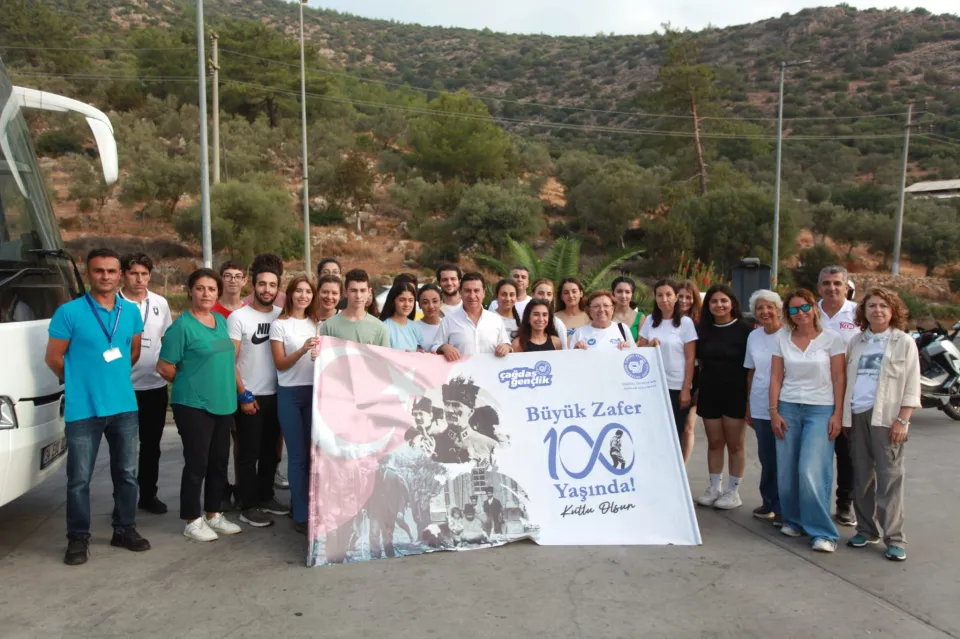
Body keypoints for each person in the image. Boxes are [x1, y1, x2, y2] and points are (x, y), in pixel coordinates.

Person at [45, 248, 151, 565]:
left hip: (124, 407)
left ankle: (124, 528)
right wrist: (79, 380)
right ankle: (78, 538)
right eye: (98, 270)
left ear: (120, 275)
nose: (105, 276)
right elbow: (53, 358)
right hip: (83, 409)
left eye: (111, 271)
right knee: (79, 480)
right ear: (88, 273)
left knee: (127, 474)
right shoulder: (69, 312)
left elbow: (132, 353)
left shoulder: (130, 312)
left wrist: (111, 378)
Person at [157, 268, 241, 542]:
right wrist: (191, 382)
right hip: (193, 405)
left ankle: (213, 514)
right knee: (197, 463)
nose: (206, 294)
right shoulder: (181, 327)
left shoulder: (220, 320)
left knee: (219, 462)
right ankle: (192, 520)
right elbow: (164, 367)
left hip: (223, 402)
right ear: (190, 291)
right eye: (201, 288)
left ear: (218, 293)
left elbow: (225, 359)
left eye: (212, 289)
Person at [842, 288, 920, 562]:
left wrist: (903, 419)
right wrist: (846, 417)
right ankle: (865, 530)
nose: (877, 310)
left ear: (893, 311)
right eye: (872, 305)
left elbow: (912, 383)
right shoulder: (856, 342)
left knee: (889, 478)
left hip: (887, 419)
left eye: (883, 306)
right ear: (863, 312)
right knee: (861, 478)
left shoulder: (903, 342)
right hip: (857, 415)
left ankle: (895, 538)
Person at [769, 289, 847, 553]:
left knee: (810, 470)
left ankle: (823, 533)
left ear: (814, 308)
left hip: (821, 409)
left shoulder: (832, 339)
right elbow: (776, 377)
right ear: (788, 314)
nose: (800, 313)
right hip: (788, 407)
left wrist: (837, 414)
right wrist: (774, 412)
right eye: (793, 309)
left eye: (804, 307)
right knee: (787, 470)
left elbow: (838, 378)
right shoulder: (782, 338)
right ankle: (794, 520)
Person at [228, 262, 288, 528]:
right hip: (250, 395)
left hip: (276, 394)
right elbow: (229, 361)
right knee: (248, 454)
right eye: (262, 284)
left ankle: (265, 496)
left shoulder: (282, 316)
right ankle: (248, 505)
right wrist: (243, 394)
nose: (267, 289)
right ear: (253, 286)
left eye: (272, 285)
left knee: (270, 454)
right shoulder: (238, 317)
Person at [118, 252, 173, 515]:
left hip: (154, 387)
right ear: (123, 275)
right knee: (124, 449)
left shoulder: (160, 303)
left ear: (150, 275)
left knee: (151, 447)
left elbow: (167, 339)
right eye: (133, 273)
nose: (139, 279)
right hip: (123, 388)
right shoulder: (114, 303)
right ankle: (123, 501)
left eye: (143, 274)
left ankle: (148, 495)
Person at [271, 277, 326, 535]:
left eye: (308, 292)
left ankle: (302, 504)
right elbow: (280, 364)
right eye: (299, 291)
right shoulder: (280, 325)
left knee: (313, 455)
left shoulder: (318, 323)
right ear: (291, 294)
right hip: (290, 394)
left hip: (314, 393)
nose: (303, 296)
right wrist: (303, 350)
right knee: (297, 456)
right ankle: (302, 516)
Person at [695, 284, 753, 509]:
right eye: (714, 301)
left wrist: (749, 400)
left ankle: (733, 491)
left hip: (736, 394)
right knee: (714, 443)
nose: (719, 305)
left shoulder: (746, 330)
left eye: (723, 301)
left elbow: (751, 368)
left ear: (732, 303)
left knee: (735, 444)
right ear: (708, 305)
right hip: (709, 392)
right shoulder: (702, 329)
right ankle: (714, 488)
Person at [817, 265, 859, 528]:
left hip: (850, 392)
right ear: (819, 286)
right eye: (826, 283)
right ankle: (816, 503)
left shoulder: (858, 313)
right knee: (816, 453)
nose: (831, 288)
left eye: (837, 283)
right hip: (816, 391)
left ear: (846, 287)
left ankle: (845, 504)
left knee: (846, 454)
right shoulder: (810, 311)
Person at [637, 280, 698, 461]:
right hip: (653, 386)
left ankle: (676, 471)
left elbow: (690, 358)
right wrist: (650, 344)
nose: (664, 299)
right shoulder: (650, 320)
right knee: (656, 431)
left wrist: (686, 388)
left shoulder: (685, 323)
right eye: (660, 295)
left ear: (676, 297)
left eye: (668, 295)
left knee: (676, 433)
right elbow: (640, 350)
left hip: (676, 386)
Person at [743, 290, 784, 525]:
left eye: (770, 307)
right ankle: (769, 502)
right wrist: (748, 403)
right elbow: (751, 371)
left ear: (778, 309)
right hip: (759, 403)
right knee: (767, 457)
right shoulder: (754, 336)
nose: (765, 311)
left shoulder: (788, 335)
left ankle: (783, 507)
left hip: (784, 404)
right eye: (760, 308)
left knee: (784, 457)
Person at [431, 273, 512, 360]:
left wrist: (506, 347)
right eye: (467, 291)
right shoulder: (448, 320)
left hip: (491, 368)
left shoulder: (495, 319)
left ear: (484, 293)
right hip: (459, 369)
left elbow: (506, 344)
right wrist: (444, 347)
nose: (472, 296)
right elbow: (435, 347)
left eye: (476, 291)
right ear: (460, 292)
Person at [433, 376, 497, 464]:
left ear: (470, 412)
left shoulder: (489, 445)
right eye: (447, 404)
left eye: (456, 405)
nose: (449, 410)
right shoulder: (435, 442)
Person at [320, 269, 390, 347]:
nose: (358, 296)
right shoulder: (328, 326)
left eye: (362, 291)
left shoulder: (379, 328)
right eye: (353, 291)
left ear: (369, 292)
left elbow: (384, 354)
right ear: (345, 292)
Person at [677, 279, 702, 460]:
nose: (684, 301)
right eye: (680, 296)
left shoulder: (701, 322)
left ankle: (683, 467)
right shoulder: (664, 319)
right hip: (670, 377)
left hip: (695, 377)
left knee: (688, 426)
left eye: (688, 297)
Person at [380, 280, 424, 351]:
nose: (407, 304)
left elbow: (420, 348)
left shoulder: (415, 327)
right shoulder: (384, 327)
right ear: (393, 301)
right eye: (402, 300)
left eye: (410, 300)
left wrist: (420, 351)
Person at [530, 278, 569, 348]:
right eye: (540, 293)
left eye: (549, 294)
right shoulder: (525, 320)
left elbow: (564, 350)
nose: (545, 297)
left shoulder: (557, 324)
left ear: (552, 297)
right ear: (532, 295)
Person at [556, 278, 589, 347]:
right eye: (566, 293)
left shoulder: (590, 317)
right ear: (561, 296)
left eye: (574, 291)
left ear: (581, 293)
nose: (570, 295)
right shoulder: (554, 318)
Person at [612, 276, 645, 341]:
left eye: (627, 292)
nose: (623, 296)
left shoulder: (640, 317)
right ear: (613, 294)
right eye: (619, 291)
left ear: (632, 295)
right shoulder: (607, 315)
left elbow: (641, 343)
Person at [415, 284, 443, 348]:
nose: (431, 306)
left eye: (435, 301)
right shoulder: (413, 328)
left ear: (441, 302)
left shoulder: (448, 326)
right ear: (419, 305)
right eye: (425, 302)